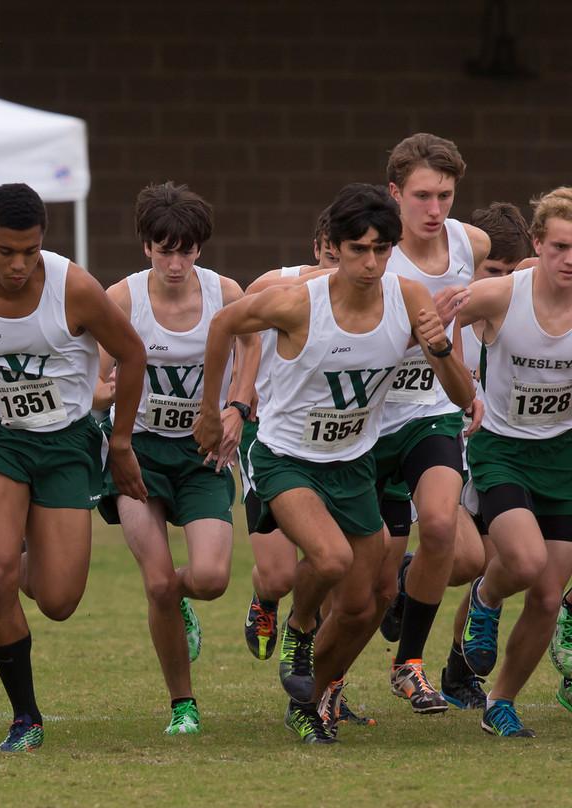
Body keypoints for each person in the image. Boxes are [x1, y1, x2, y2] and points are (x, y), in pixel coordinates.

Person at [195, 183, 474, 744]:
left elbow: (463, 394)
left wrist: (438, 346)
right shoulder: (298, 300)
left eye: (380, 250)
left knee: (369, 602)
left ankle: (313, 699)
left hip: (352, 463)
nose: (370, 263)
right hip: (286, 457)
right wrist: (214, 409)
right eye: (358, 250)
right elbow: (225, 323)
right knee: (330, 558)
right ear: (336, 249)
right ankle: (298, 626)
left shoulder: (411, 297)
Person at [0, 183, 148, 753]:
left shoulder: (73, 287)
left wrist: (122, 442)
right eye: (6, 251)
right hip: (0, 444)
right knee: (1, 576)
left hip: (66, 444)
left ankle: (2, 559)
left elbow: (132, 355)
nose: (18, 264)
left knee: (58, 601)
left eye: (29, 251)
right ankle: (24, 716)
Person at [97, 182, 246, 735]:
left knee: (208, 578)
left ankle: (178, 602)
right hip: (137, 453)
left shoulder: (225, 294)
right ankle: (183, 705)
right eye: (165, 250)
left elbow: (250, 347)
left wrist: (237, 407)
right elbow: (93, 379)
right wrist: (106, 395)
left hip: (200, 453)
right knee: (157, 583)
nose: (176, 262)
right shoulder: (122, 299)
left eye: (185, 250)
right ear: (146, 248)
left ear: (199, 250)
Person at [367, 134, 490, 716]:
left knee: (449, 537)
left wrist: (467, 380)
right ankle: (309, 649)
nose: (435, 209)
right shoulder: (373, 256)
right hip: (367, 421)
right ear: (394, 194)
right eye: (421, 196)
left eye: (445, 194)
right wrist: (417, 331)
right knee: (359, 574)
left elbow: (472, 307)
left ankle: (409, 664)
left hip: (431, 411)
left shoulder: (471, 241)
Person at [443, 187, 572, 737]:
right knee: (521, 562)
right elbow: (433, 319)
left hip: (563, 456)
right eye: (561, 246)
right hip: (502, 450)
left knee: (546, 596)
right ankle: (485, 597)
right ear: (538, 244)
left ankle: (502, 702)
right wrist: (453, 386)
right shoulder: (501, 295)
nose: (570, 259)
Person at [438, 201, 533, 710]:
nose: (498, 283)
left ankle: (457, 669)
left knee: (495, 567)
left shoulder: (521, 308)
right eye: (490, 272)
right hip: (446, 452)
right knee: (463, 561)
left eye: (509, 273)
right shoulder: (451, 311)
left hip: (494, 457)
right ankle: (411, 580)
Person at [237, 210, 340, 662]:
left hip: (335, 443)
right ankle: (266, 598)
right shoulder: (277, 286)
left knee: (337, 571)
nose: (334, 268)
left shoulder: (374, 296)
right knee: (279, 575)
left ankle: (322, 686)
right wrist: (241, 396)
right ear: (316, 246)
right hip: (272, 439)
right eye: (329, 255)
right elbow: (237, 330)